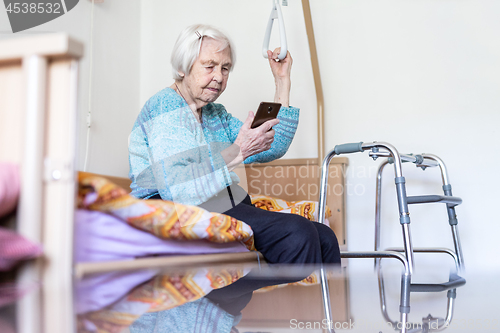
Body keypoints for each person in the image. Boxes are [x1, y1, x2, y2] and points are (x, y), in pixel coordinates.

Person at [128, 24, 340, 317]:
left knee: (324, 240)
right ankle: (208, 288)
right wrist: (238, 150)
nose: (219, 76)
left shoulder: (215, 113)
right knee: (298, 239)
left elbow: (272, 146)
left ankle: (217, 291)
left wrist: (282, 83)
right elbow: (180, 190)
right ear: (182, 68)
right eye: (209, 66)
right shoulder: (166, 108)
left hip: (224, 203)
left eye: (226, 68)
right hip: (174, 211)